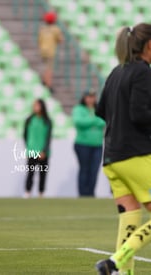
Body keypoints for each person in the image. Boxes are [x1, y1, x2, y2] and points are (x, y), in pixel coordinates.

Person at [94, 23, 151, 275]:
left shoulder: (117, 72)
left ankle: (121, 272)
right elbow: (140, 114)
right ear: (149, 46)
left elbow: (100, 110)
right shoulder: (142, 71)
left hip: (112, 157)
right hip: (134, 154)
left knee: (130, 217)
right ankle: (116, 261)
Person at [72, 90, 105, 197]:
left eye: (92, 97)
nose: (90, 99)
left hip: (97, 145)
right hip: (82, 144)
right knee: (84, 169)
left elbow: (104, 121)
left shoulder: (99, 109)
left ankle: (91, 193)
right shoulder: (78, 109)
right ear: (84, 98)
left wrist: (90, 121)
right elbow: (78, 122)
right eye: (88, 97)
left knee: (94, 170)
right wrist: (95, 120)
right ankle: (83, 194)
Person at [23, 99, 52, 198]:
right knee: (30, 172)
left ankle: (41, 192)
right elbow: (25, 135)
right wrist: (29, 147)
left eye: (37, 105)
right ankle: (28, 191)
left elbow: (48, 137)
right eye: (34, 105)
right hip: (32, 151)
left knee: (42, 173)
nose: (35, 107)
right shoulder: (29, 120)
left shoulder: (47, 121)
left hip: (43, 152)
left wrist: (44, 151)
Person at [38, 11, 64, 94]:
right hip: (50, 51)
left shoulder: (42, 29)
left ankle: (44, 80)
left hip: (43, 50)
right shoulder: (55, 29)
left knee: (45, 67)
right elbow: (60, 40)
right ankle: (48, 85)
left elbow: (39, 40)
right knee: (49, 68)